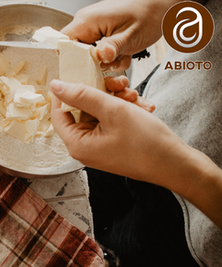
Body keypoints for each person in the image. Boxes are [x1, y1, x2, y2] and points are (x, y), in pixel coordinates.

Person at [49, 0, 222, 266]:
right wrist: (163, 8)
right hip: (154, 108)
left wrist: (184, 170)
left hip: (195, 228)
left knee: (123, 251)